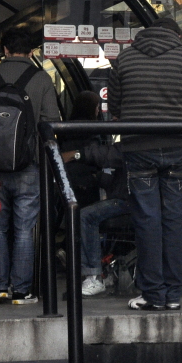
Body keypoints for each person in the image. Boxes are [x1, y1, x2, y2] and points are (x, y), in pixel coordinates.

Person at [108, 17, 182, 311]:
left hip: (139, 149)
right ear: (178, 36)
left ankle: (152, 294)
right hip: (177, 148)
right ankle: (173, 294)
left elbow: (117, 108)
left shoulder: (124, 60)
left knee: (147, 221)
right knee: (174, 222)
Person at [0, 26, 60, 305]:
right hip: (29, 164)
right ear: (32, 52)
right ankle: (21, 292)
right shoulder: (42, 78)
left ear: (5, 50)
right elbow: (51, 120)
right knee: (24, 228)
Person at [62, 91, 129, 297]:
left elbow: (111, 155)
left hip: (125, 198)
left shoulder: (130, 139)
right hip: (125, 195)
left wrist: (76, 155)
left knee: (86, 216)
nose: (113, 119)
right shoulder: (125, 136)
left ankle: (94, 275)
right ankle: (100, 272)